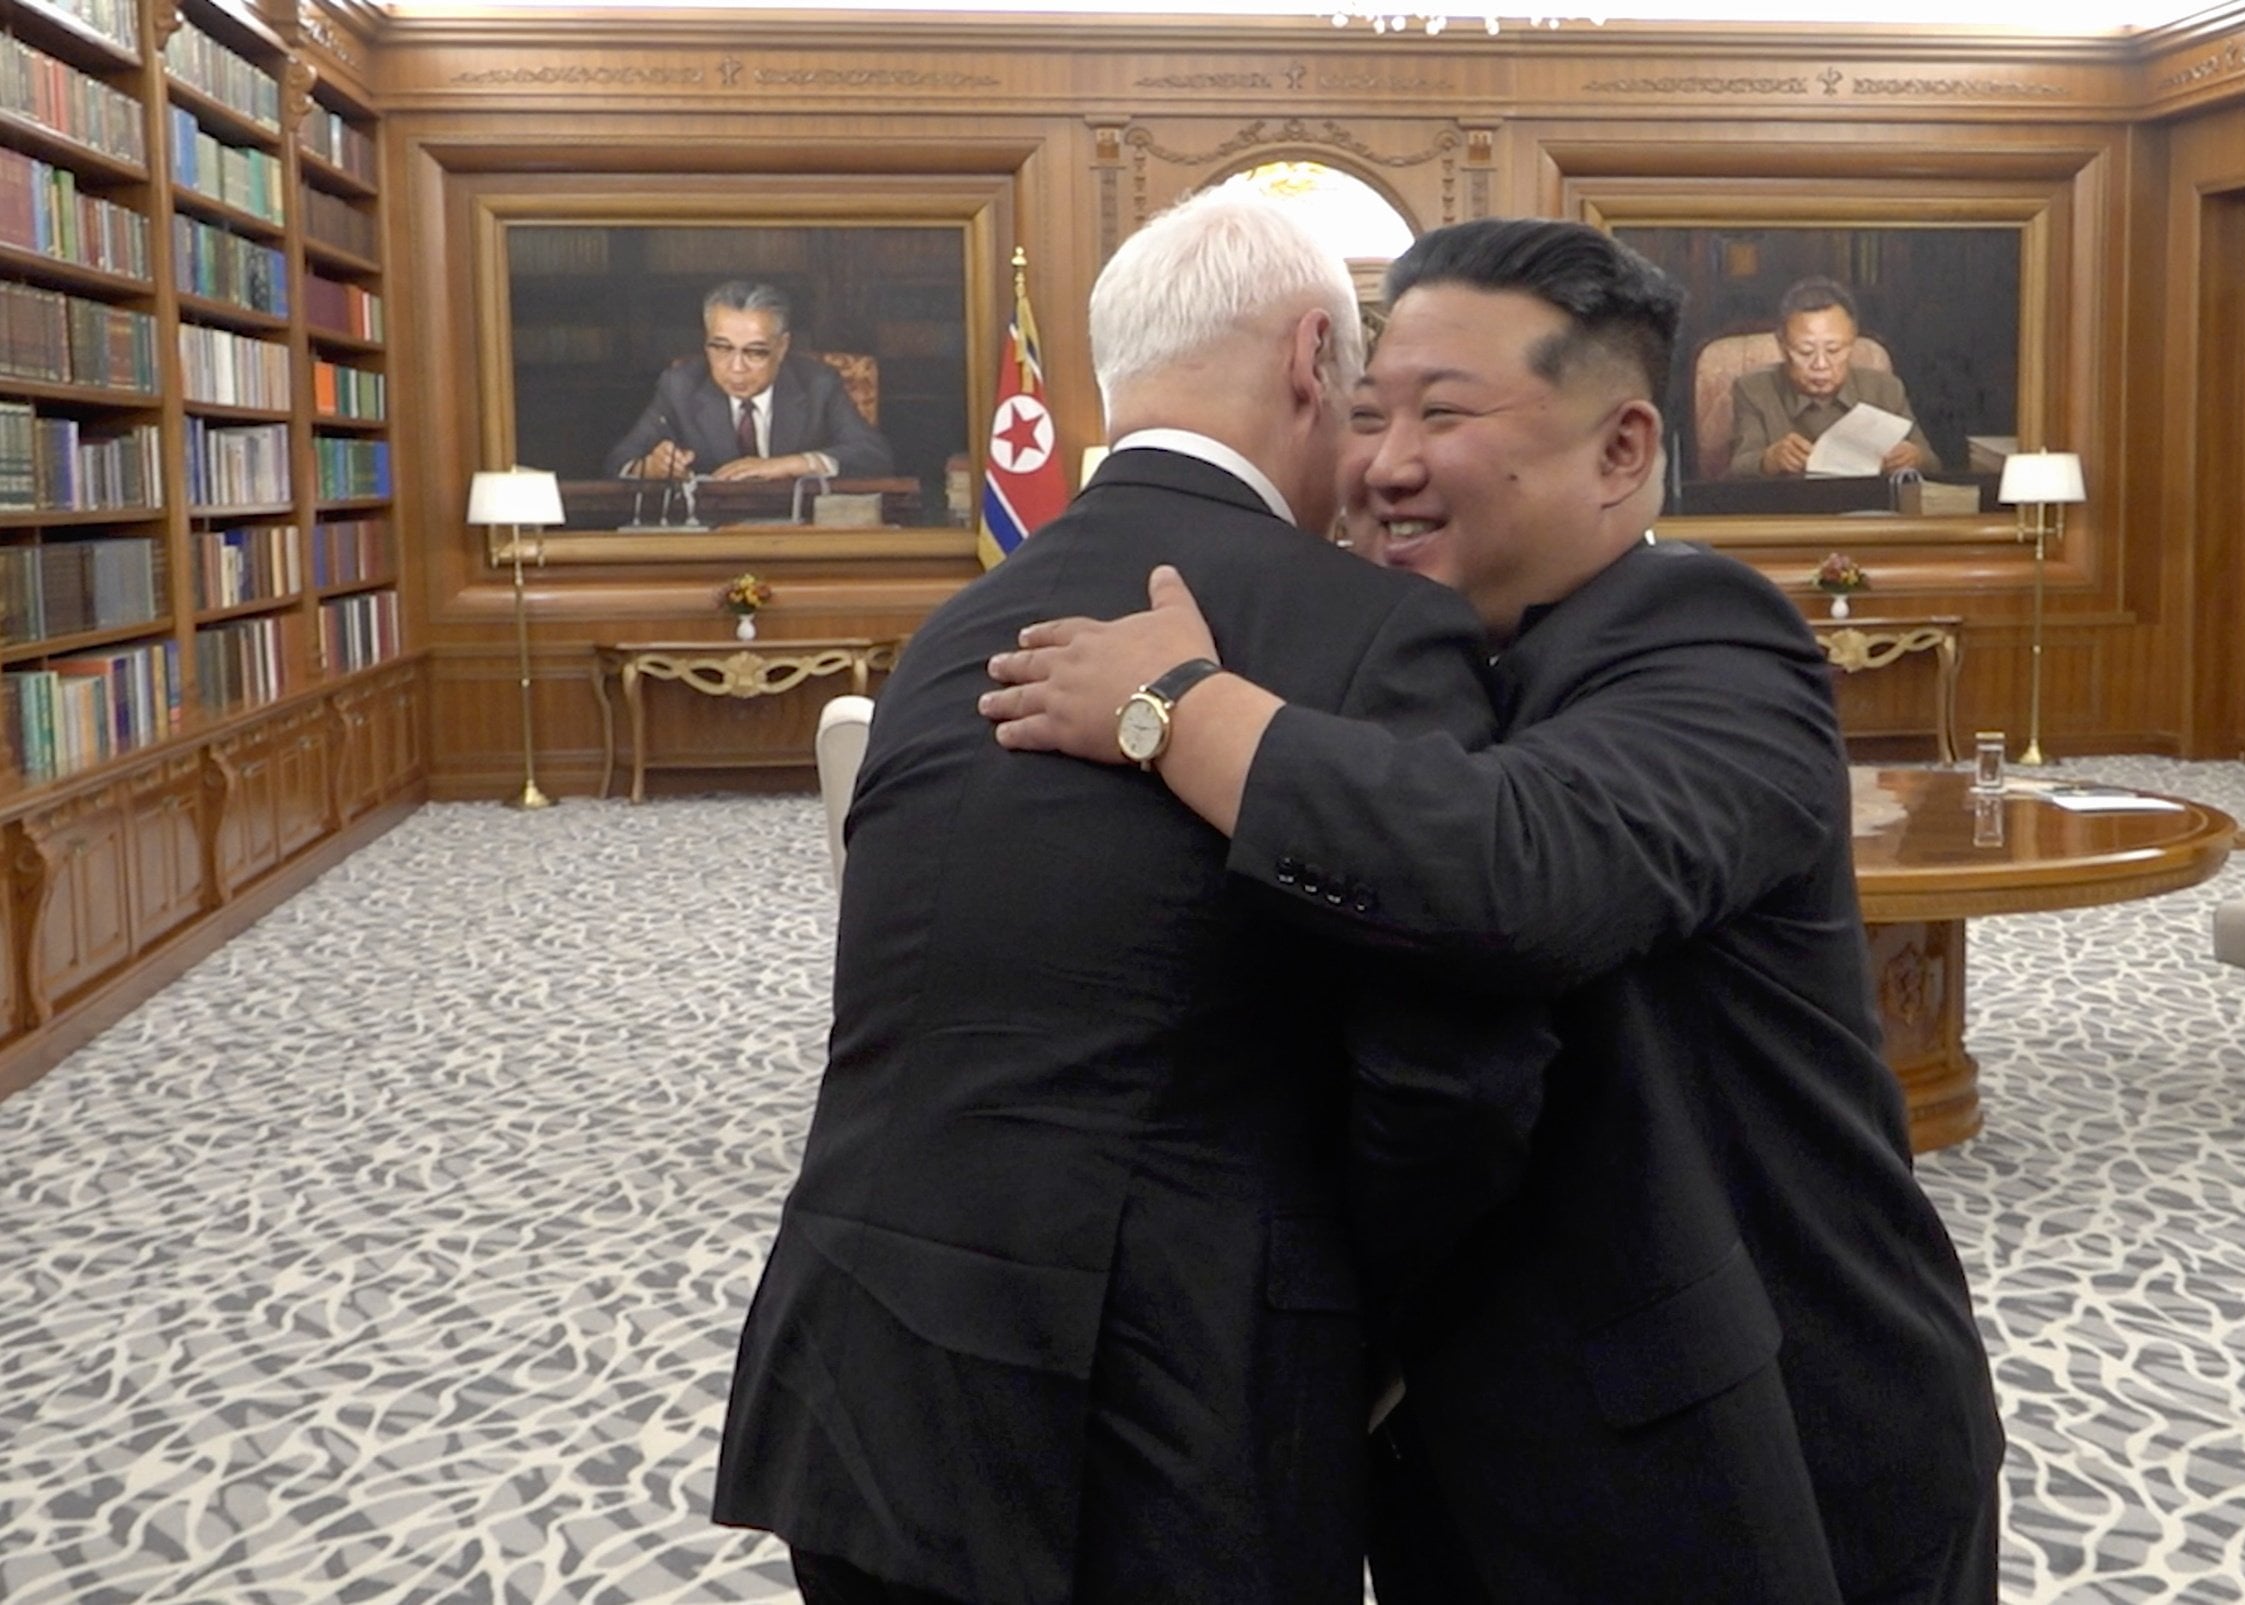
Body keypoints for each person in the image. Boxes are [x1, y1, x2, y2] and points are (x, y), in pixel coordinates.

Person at [981, 218, 2004, 1604]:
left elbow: (1522, 869)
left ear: (1624, 450)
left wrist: (1179, 710)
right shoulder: (1419, 663)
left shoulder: (1711, 639)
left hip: (1758, 1433)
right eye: (1366, 412)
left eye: (1442, 414)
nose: (1386, 463)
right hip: (1486, 1451)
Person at [715, 192, 1549, 1605]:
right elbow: (1450, 1067)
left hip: (862, 1373)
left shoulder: (955, 630)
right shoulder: (1373, 628)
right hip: (1171, 1411)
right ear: (1309, 361)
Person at [603, 280, 895, 481]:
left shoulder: (817, 383)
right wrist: (650, 468)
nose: (736, 367)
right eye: (721, 348)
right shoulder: (680, 385)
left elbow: (873, 456)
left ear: (781, 347)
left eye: (755, 352)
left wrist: (791, 464)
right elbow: (619, 463)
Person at [1724, 274, 1940, 479]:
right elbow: (1738, 467)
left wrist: (1915, 458)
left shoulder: (1885, 389)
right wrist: (1768, 460)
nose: (1820, 364)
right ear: (1782, 346)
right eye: (1805, 351)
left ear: (1853, 342)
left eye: (1834, 350)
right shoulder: (1754, 389)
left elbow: (1932, 464)